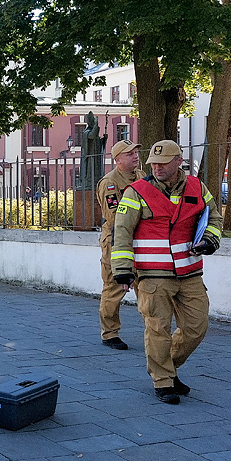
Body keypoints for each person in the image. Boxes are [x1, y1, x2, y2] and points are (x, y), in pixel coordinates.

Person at [111, 139, 223, 404]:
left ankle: (167, 368)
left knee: (196, 327)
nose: (157, 168)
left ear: (178, 162)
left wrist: (209, 240)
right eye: (153, 164)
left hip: (189, 272)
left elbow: (215, 217)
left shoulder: (197, 187)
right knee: (157, 329)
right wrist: (123, 270)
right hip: (152, 275)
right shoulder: (136, 191)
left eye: (163, 163)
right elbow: (122, 231)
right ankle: (163, 381)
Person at [95, 140, 143, 350]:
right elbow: (114, 216)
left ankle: (154, 329)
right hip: (116, 241)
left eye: (135, 152)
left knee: (147, 286)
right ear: (117, 159)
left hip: (141, 240)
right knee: (114, 288)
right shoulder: (110, 183)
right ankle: (110, 333)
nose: (135, 156)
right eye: (129, 153)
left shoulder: (142, 177)